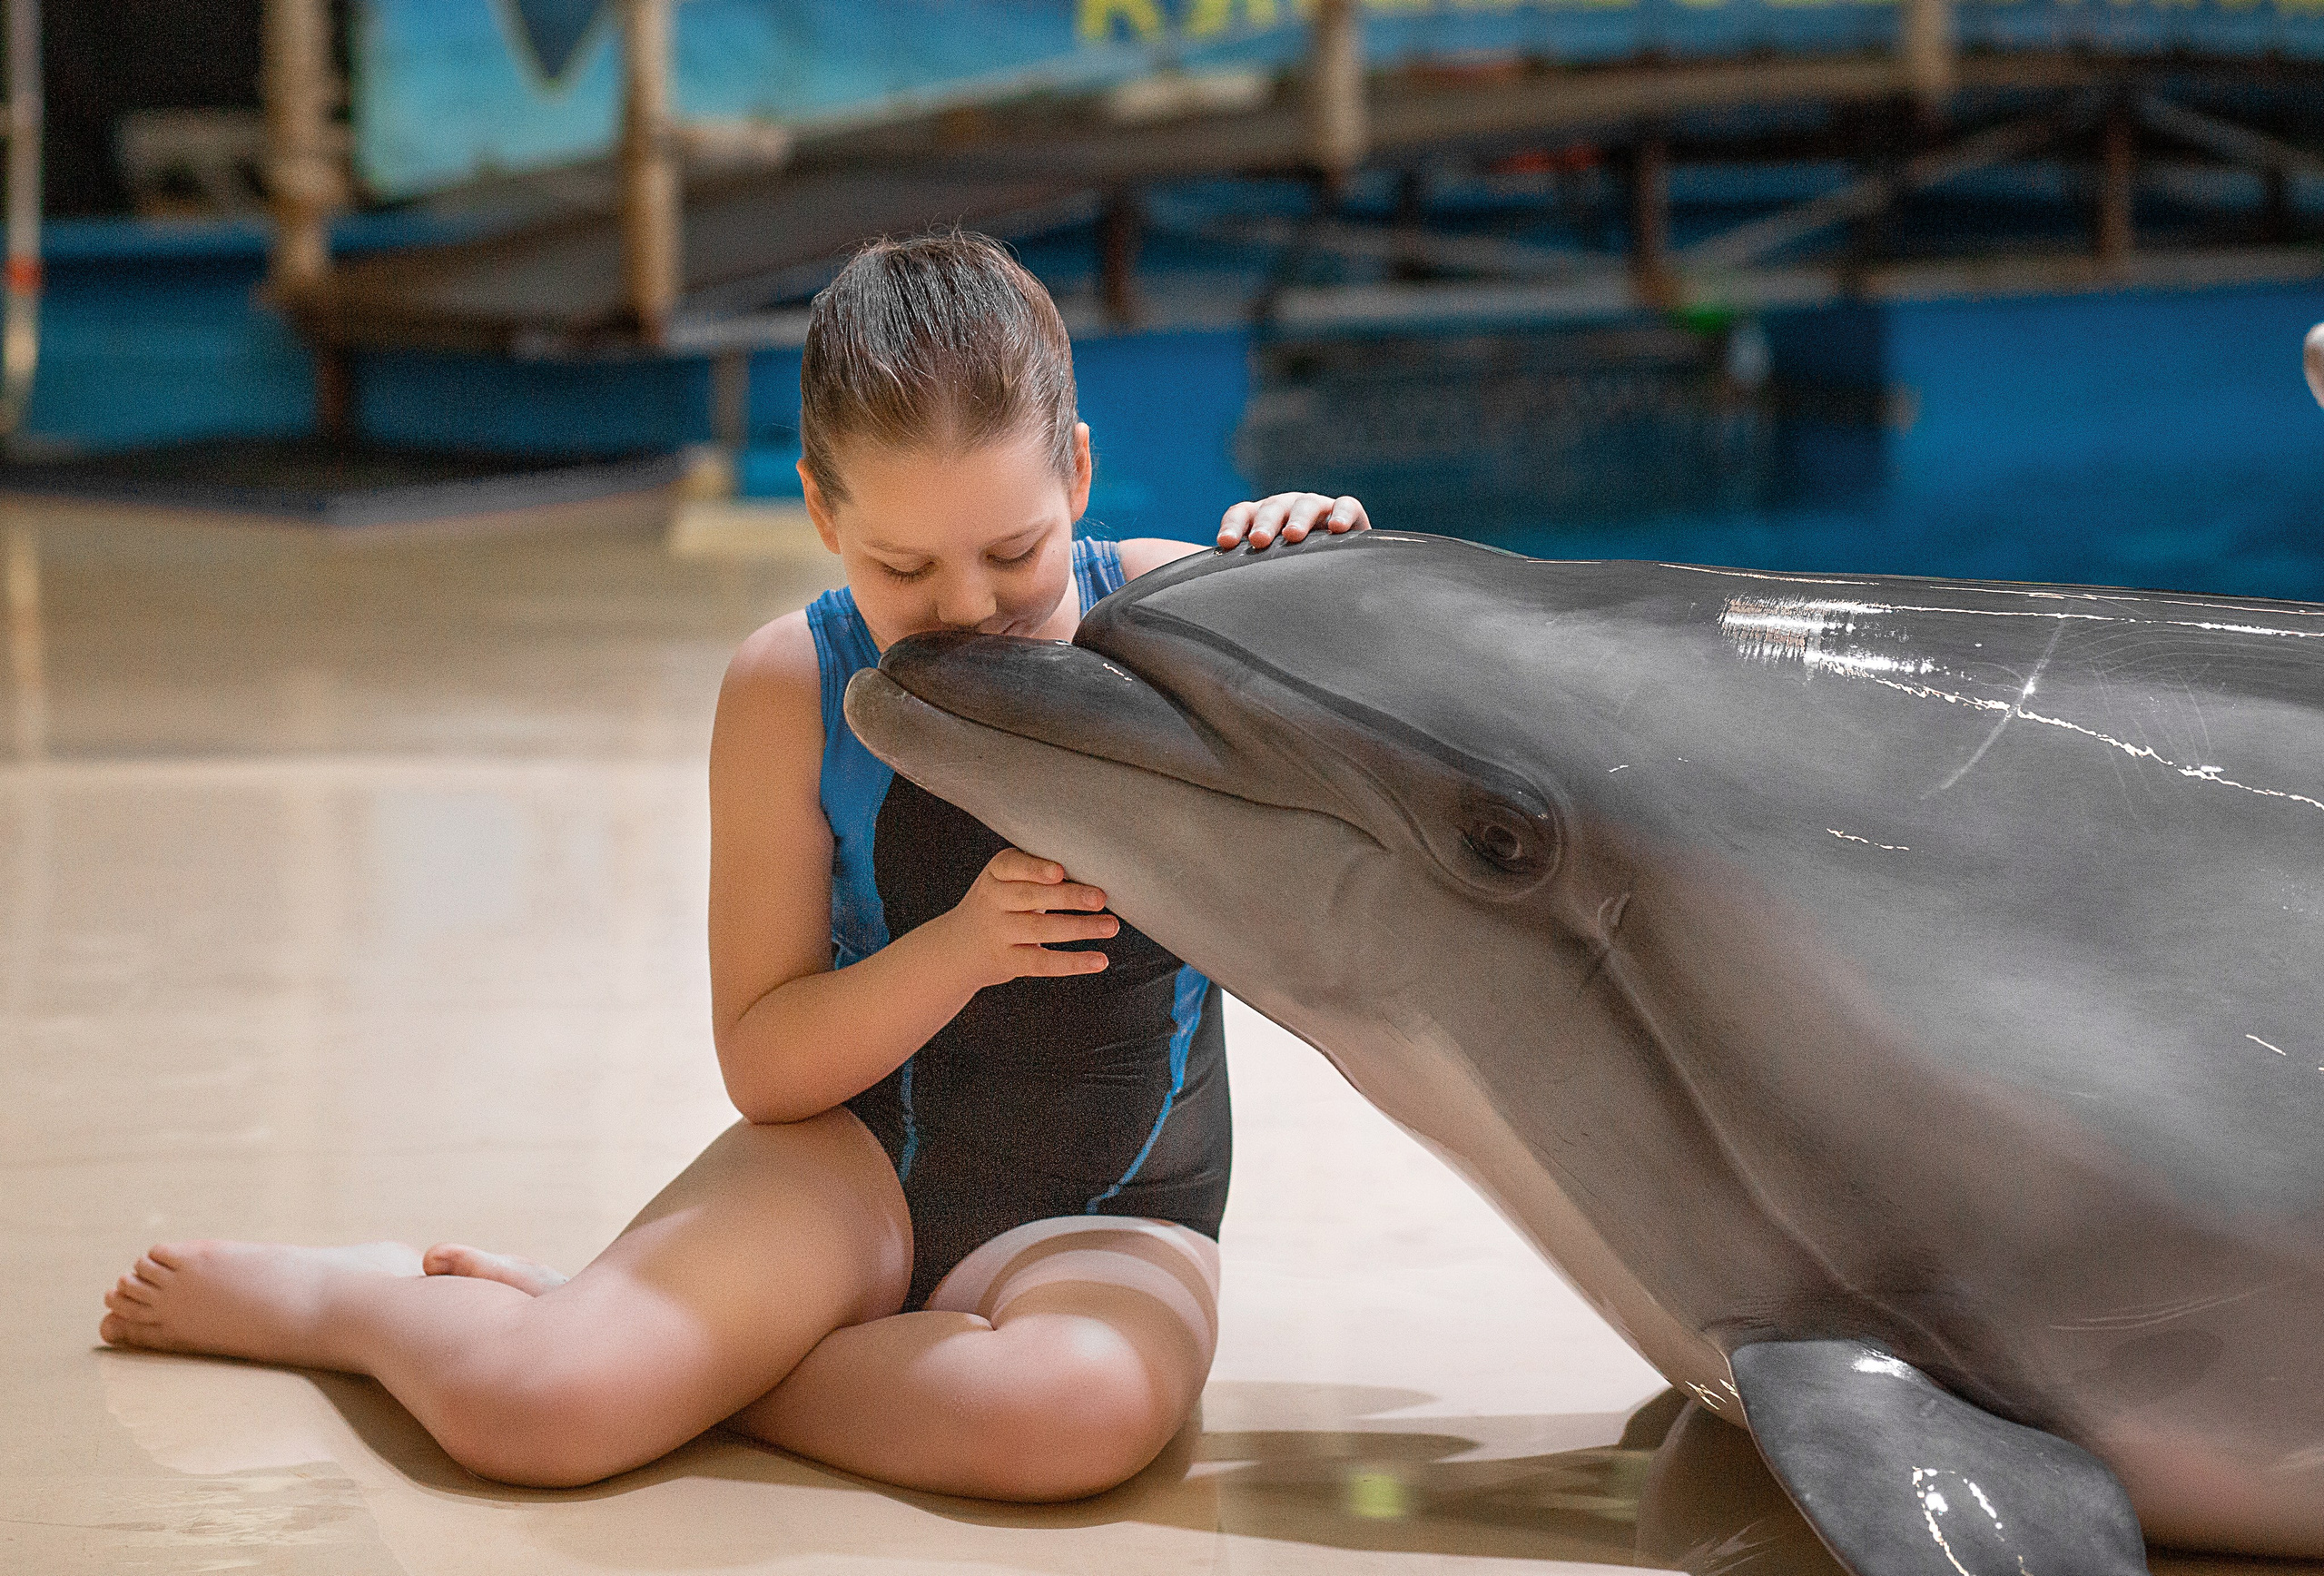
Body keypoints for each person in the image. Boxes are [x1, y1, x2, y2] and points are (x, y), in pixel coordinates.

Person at [98, 231, 1370, 1500]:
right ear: (822, 514)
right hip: (850, 1168)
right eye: (903, 568)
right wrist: (960, 952)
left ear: (1079, 472)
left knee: (1068, 1419)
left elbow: (1396, 783)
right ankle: (354, 1306)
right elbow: (765, 1065)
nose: (969, 610)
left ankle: (644, 1343)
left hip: (1116, 1211)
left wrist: (1333, 577)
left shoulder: (1177, 623)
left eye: (1013, 554)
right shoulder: (789, 687)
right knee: (534, 1413)